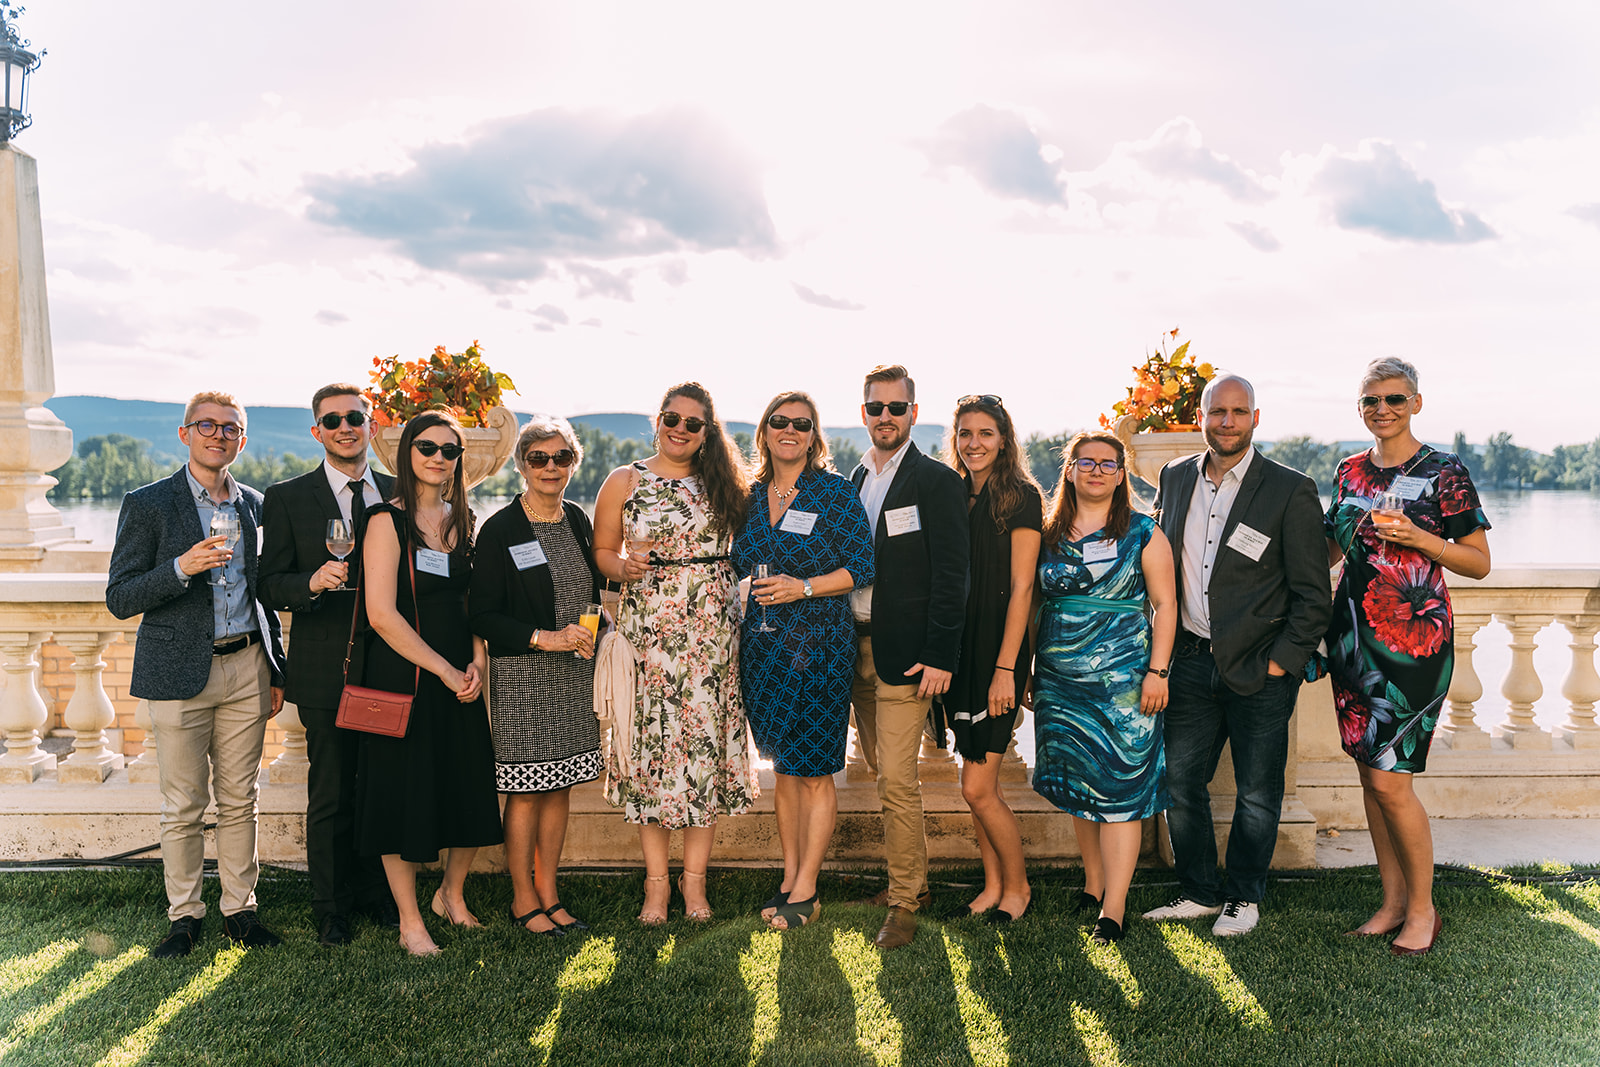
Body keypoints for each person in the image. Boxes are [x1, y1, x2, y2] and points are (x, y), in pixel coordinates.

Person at [1141, 374, 1332, 937]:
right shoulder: (1175, 476)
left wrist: (1281, 663)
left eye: (1238, 411)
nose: (1227, 422)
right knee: (1180, 782)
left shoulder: (1290, 488)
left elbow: (1313, 593)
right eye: (1217, 411)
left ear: (1255, 418)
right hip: (1189, 661)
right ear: (1202, 417)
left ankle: (1243, 897)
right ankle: (1199, 891)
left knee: (1257, 792)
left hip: (1261, 667)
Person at [106, 391, 287, 959]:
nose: (218, 435)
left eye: (230, 427)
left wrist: (276, 667)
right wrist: (181, 567)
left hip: (247, 666)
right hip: (177, 671)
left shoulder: (256, 505)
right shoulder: (148, 504)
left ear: (242, 440)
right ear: (185, 434)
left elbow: (263, 593)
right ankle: (183, 916)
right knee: (183, 804)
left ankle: (240, 911)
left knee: (241, 799)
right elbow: (120, 597)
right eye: (206, 425)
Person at [1324, 357, 1490, 956]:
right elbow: (1330, 551)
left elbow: (1478, 561)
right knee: (1371, 778)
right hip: (1353, 639)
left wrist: (1421, 539)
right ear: (1359, 408)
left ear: (1416, 403)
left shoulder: (1446, 470)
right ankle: (1392, 902)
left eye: (1394, 399)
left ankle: (1423, 911)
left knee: (1392, 781)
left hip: (1414, 644)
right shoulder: (1348, 471)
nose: (1383, 410)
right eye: (1371, 400)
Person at [593, 382, 759, 925]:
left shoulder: (726, 483)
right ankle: (656, 887)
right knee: (653, 755)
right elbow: (602, 552)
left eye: (693, 423)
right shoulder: (625, 480)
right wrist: (623, 567)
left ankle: (695, 884)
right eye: (672, 418)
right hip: (649, 634)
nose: (680, 429)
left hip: (711, 636)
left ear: (708, 432)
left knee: (703, 755)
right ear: (658, 420)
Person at [355, 410, 502, 956]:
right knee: (400, 796)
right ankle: (410, 921)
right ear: (407, 453)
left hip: (461, 678)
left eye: (450, 450)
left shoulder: (465, 520)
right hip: (404, 677)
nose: (439, 458)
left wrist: (478, 662)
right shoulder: (384, 520)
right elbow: (380, 615)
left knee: (467, 788)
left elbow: (473, 604)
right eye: (428, 447)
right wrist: (442, 668)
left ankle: (451, 896)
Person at [259, 383, 396, 946]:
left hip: (390, 666)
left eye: (355, 418)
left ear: (371, 426)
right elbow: (268, 584)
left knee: (381, 788)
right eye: (332, 420)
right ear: (317, 431)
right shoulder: (287, 497)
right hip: (324, 670)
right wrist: (312, 583)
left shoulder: (398, 492)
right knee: (332, 792)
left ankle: (377, 893)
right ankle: (331, 907)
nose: (345, 427)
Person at [733, 391, 875, 931]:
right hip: (763, 649)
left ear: (814, 436)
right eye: (779, 421)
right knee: (784, 771)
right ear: (764, 431)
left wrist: (804, 587)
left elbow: (862, 566)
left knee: (813, 771)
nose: (789, 430)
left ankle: (809, 889)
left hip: (819, 648)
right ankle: (790, 875)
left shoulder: (834, 493)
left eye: (801, 423)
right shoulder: (749, 497)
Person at [1032, 432, 1176, 944]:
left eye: (1108, 464)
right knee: (1080, 785)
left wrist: (1158, 672)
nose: (1096, 470)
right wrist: (1027, 669)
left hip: (1125, 684)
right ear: (1069, 470)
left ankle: (1114, 908)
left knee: (1120, 789)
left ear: (1121, 474)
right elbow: (1033, 603)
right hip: (1058, 683)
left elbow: (1166, 606)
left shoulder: (1143, 532)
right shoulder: (1047, 533)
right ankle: (1093, 885)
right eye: (1086, 462)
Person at [847, 364, 969, 950]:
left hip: (909, 656)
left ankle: (903, 903)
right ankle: (912, 885)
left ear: (914, 414)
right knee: (880, 770)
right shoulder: (854, 478)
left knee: (898, 779)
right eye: (877, 408)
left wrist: (941, 654)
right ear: (864, 412)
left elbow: (952, 576)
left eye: (897, 408)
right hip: (855, 649)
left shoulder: (937, 481)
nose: (886, 417)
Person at [470, 416, 604, 938]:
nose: (551, 467)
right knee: (526, 789)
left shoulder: (577, 519)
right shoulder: (501, 529)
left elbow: (592, 591)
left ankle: (549, 891)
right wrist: (543, 637)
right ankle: (522, 897)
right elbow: (481, 615)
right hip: (524, 676)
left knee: (560, 785)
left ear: (574, 464)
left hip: (573, 675)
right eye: (539, 458)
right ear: (522, 466)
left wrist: (596, 628)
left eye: (561, 457)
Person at [935, 395, 1043, 924]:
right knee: (981, 784)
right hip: (960, 651)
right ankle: (992, 885)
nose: (973, 443)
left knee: (977, 788)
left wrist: (1007, 669)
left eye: (985, 433)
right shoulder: (954, 493)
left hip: (998, 655)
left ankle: (1018, 888)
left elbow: (1023, 588)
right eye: (965, 433)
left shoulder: (1020, 496)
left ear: (1004, 439)